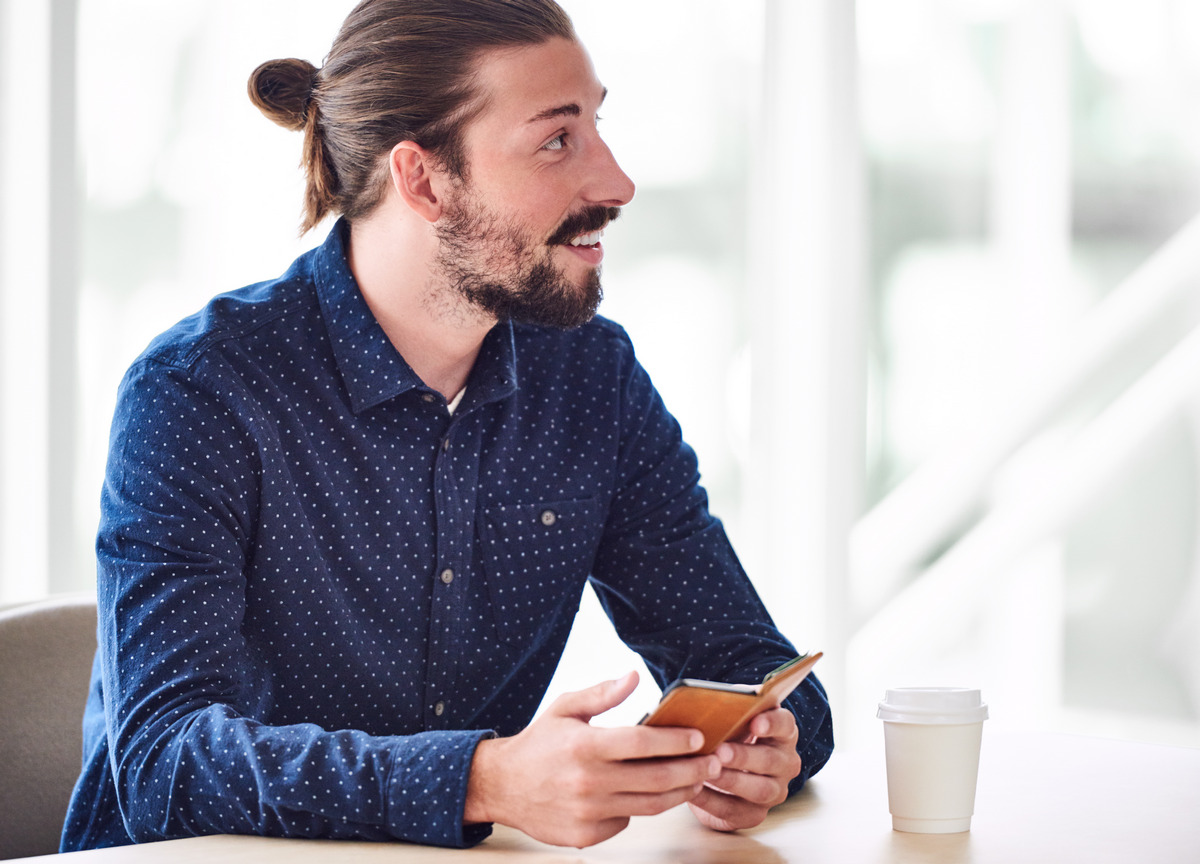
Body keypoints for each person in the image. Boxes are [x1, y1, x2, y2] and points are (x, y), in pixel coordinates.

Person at [62, 0, 833, 852]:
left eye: (596, 127)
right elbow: (166, 768)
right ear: (423, 179)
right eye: (556, 140)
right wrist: (482, 780)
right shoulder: (200, 393)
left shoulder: (591, 379)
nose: (616, 183)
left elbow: (750, 662)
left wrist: (768, 744)